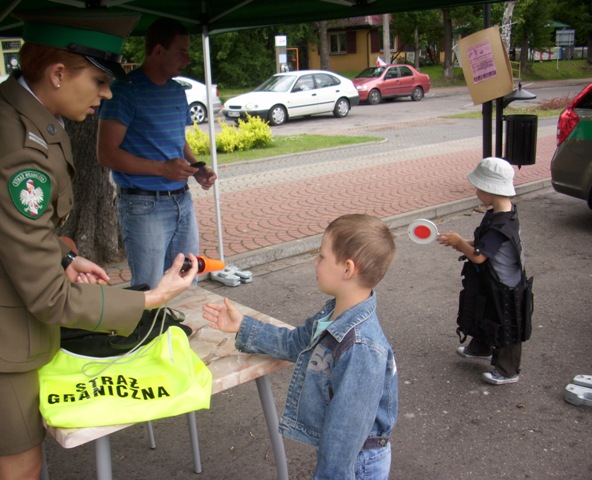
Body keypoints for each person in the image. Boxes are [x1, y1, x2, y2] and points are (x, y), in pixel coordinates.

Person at [0, 11, 200, 480]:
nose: (108, 92)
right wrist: (150, 298)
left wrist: (65, 256)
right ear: (57, 73)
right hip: (8, 334)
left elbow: (23, 233)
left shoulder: (28, 118)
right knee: (20, 462)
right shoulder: (18, 147)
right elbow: (48, 298)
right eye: (98, 80)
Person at [203, 214, 398, 479]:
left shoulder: (361, 347)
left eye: (321, 256)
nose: (314, 262)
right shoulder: (333, 314)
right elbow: (295, 342)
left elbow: (345, 433)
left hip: (357, 463)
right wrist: (243, 327)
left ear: (348, 269)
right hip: (345, 455)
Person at [98, 17, 216, 288]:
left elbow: (178, 141)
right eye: (181, 52)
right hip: (143, 206)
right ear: (158, 51)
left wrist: (196, 167)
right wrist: (163, 169)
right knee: (151, 288)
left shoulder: (177, 91)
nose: (187, 60)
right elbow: (106, 154)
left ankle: (183, 332)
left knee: (187, 282)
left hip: (182, 201)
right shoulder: (124, 92)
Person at [437, 157, 532, 385]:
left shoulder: (502, 224)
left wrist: (460, 243)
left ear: (490, 189)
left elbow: (479, 256)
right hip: (492, 281)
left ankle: (508, 370)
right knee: (483, 313)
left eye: (479, 188)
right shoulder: (502, 212)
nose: (476, 192)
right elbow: (485, 244)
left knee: (506, 325)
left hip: (506, 287)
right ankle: (480, 347)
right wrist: (460, 241)